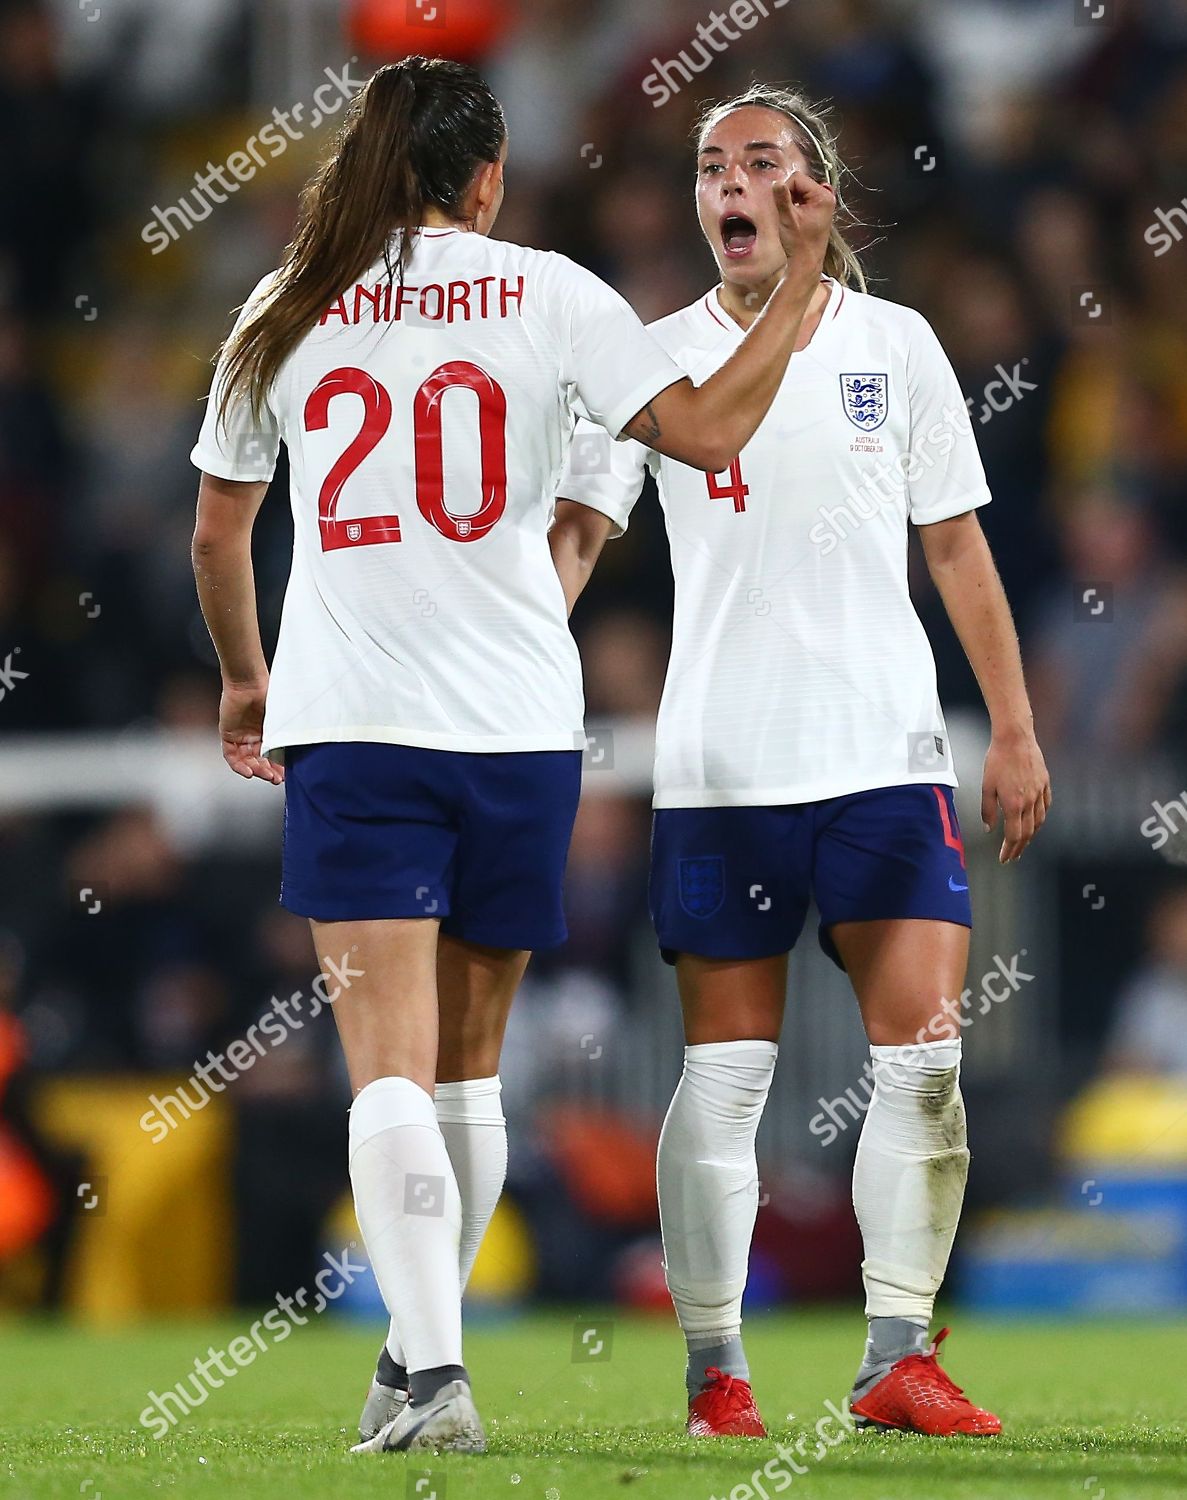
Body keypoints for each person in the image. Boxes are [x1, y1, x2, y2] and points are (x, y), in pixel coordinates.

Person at [189, 59, 835, 1454]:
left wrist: (248, 679)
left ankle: (433, 1378)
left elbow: (217, 532)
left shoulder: (284, 305)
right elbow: (712, 431)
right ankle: (423, 1361)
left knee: (389, 1076)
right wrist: (797, 283)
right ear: (486, 178)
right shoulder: (554, 294)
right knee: (469, 1080)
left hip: (358, 722)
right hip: (521, 730)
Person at [553, 83, 1051, 1438]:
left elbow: (955, 543)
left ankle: (896, 1352)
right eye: (713, 163)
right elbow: (578, 541)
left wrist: (1008, 723)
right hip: (719, 766)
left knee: (924, 1061)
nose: (733, 182)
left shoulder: (898, 343)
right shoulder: (647, 359)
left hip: (883, 755)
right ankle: (718, 1370)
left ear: (813, 185)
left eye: (761, 160)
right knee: (725, 1080)